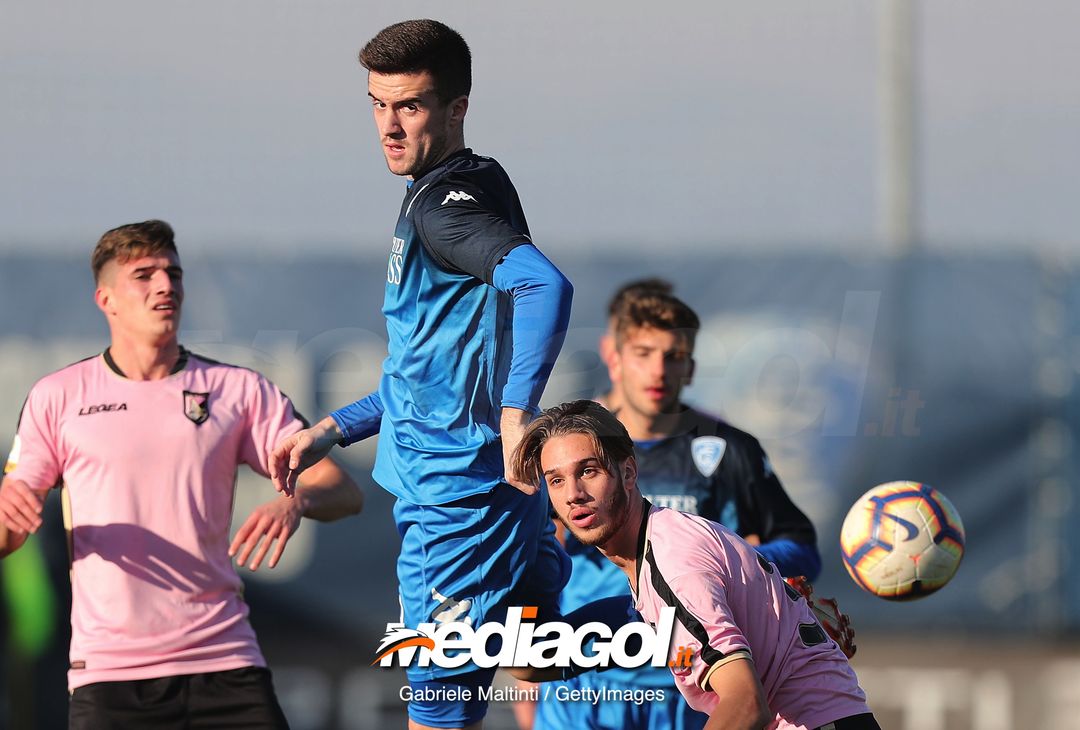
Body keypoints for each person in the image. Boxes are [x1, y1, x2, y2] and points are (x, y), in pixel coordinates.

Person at [268, 19, 576, 730]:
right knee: (543, 671)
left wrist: (515, 415)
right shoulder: (471, 181)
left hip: (454, 507)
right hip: (493, 493)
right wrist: (335, 428)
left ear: (457, 107)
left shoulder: (442, 209)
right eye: (377, 104)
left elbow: (544, 286)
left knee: (438, 714)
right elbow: (432, 373)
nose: (389, 126)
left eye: (409, 106)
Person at [0, 220, 363, 729]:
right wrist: (6, 512)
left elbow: (343, 492)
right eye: (143, 275)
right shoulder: (57, 397)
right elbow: (9, 533)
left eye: (172, 273)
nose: (165, 285)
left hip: (225, 663)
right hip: (110, 676)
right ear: (106, 299)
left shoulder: (238, 390)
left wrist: (297, 501)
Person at [527, 287, 825, 729]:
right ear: (614, 356)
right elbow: (531, 557)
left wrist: (731, 563)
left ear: (691, 367)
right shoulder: (568, 449)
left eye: (674, 356)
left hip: (684, 684)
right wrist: (530, 674)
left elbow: (801, 549)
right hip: (585, 683)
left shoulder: (726, 450)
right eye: (644, 353)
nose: (658, 371)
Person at [514, 400, 879, 730]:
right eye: (557, 480)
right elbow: (532, 662)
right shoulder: (656, 556)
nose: (573, 494)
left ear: (628, 473)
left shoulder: (672, 564)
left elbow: (746, 704)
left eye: (589, 471)